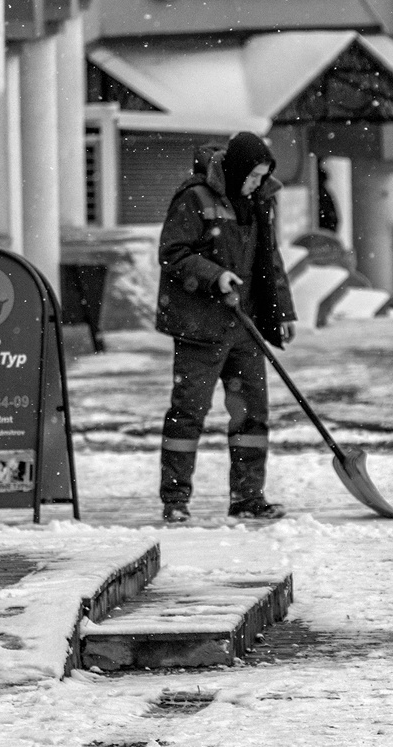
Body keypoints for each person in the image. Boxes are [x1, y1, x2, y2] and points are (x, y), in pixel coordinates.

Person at [156, 131, 297, 524]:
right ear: (235, 170)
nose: (255, 184)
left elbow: (271, 259)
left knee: (251, 415)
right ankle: (176, 499)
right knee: (188, 414)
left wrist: (282, 312)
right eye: (251, 176)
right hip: (200, 327)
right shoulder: (195, 199)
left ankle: (248, 496)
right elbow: (172, 254)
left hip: (244, 324)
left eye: (261, 177)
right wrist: (214, 275)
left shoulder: (257, 202)